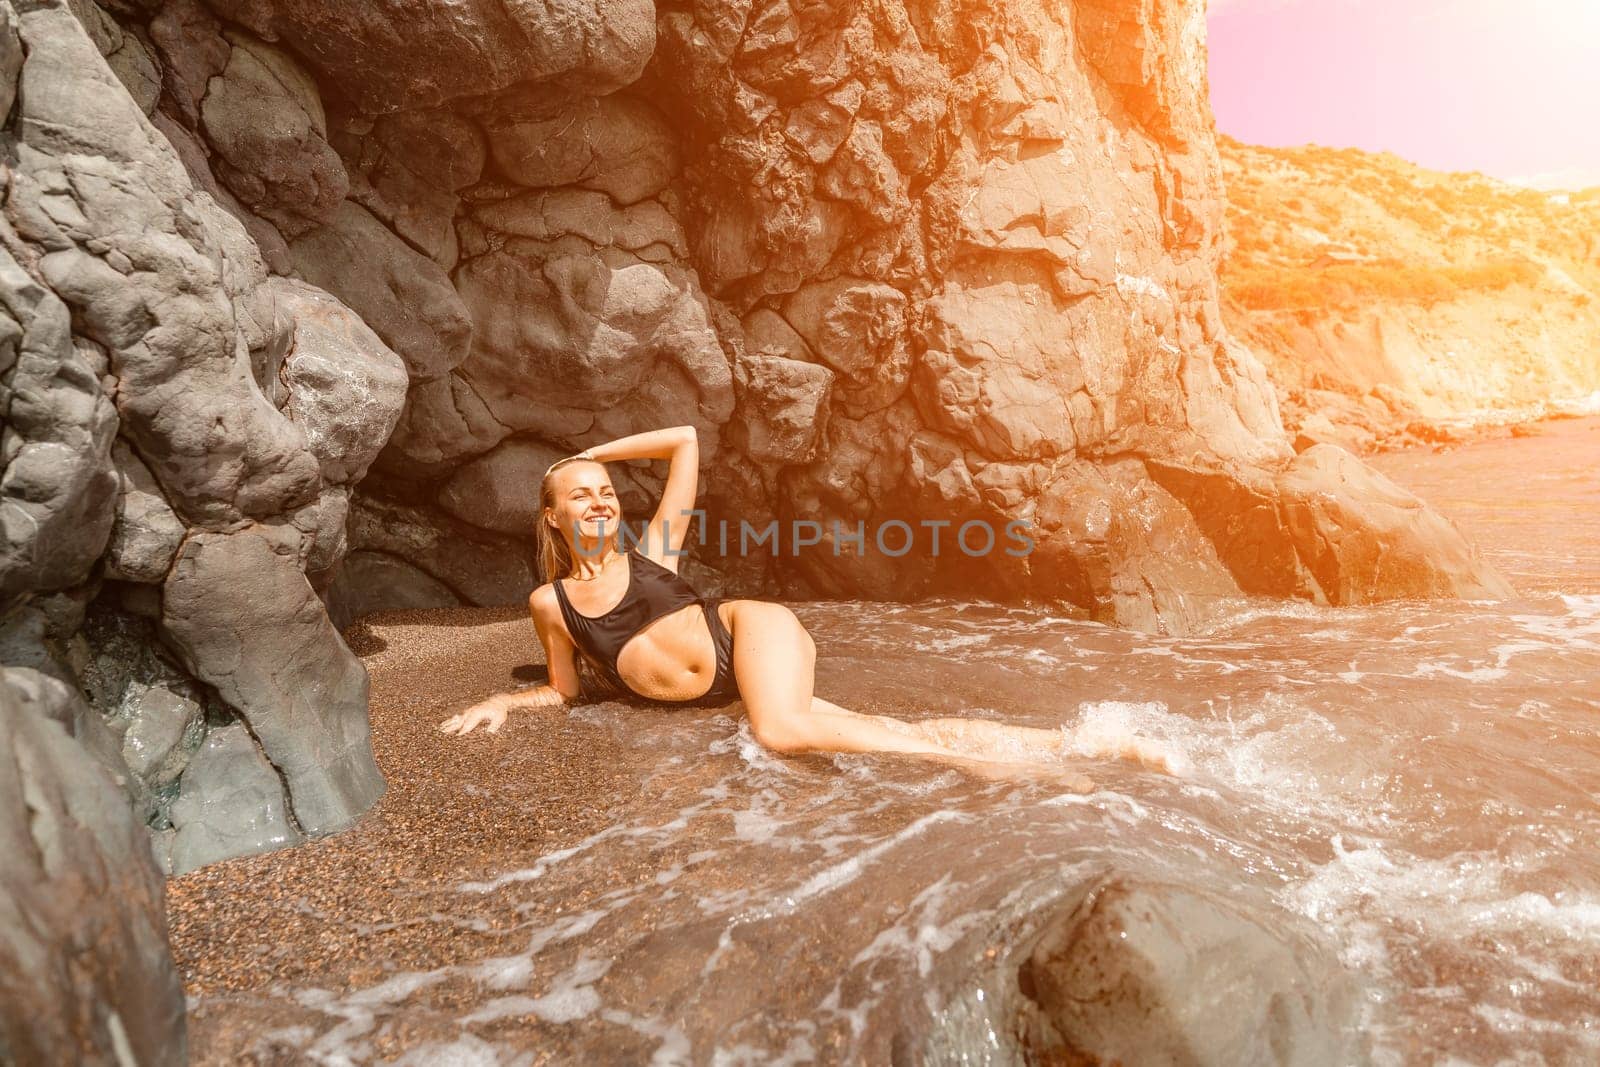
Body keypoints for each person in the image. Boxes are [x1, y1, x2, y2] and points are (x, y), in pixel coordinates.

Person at [437, 426, 1187, 783]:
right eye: (581, 496)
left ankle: (984, 767)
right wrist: (504, 704)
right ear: (555, 517)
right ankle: (1091, 742)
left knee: (782, 731)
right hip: (729, 685)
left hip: (749, 632)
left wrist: (597, 454)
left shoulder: (653, 549)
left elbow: (688, 442)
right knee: (881, 725)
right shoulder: (551, 603)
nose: (598, 501)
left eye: (604, 491)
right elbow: (563, 689)